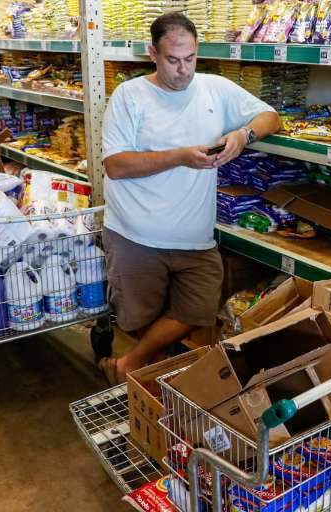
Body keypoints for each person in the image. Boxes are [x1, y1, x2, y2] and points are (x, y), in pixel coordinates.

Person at [98, 13, 280, 384]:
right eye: (172, 60)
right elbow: (115, 165)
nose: (183, 70)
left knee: (199, 310)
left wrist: (244, 135)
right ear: (152, 53)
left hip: (195, 240)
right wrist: (180, 156)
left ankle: (129, 364)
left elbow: (270, 116)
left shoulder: (215, 88)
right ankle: (147, 389)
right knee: (137, 319)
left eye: (190, 58)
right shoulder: (129, 96)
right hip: (136, 236)